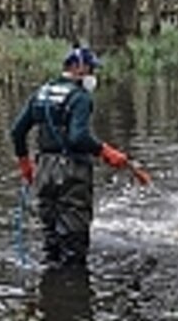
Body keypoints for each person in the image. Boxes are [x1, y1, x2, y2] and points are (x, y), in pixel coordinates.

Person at [9, 45, 131, 267]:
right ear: (78, 68)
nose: (93, 75)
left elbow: (17, 131)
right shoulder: (80, 97)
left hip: (44, 170)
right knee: (74, 240)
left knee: (51, 236)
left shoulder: (41, 92)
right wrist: (105, 151)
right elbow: (78, 137)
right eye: (91, 69)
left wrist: (25, 165)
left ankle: (51, 288)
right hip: (71, 172)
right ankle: (72, 289)